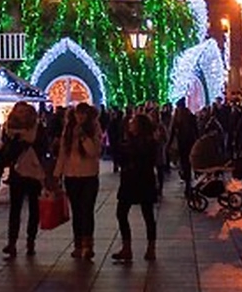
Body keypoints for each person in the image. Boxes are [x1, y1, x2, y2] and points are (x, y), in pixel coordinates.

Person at [54, 102, 102, 261]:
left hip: (89, 175)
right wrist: (57, 174)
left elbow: (94, 152)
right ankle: (78, 244)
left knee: (87, 210)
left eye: (83, 114)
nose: (80, 117)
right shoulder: (68, 129)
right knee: (76, 211)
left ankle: (88, 245)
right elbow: (63, 153)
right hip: (71, 175)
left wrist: (83, 137)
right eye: (77, 113)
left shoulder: (94, 128)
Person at [1, 101, 47, 259]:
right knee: (15, 209)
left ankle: (30, 240)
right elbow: (7, 153)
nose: (21, 114)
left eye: (23, 111)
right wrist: (18, 143)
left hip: (34, 172)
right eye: (18, 111)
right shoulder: (9, 130)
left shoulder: (38, 128)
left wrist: (29, 144)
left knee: (34, 208)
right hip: (17, 173)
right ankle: (11, 242)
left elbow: (43, 148)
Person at [111, 113, 159, 262]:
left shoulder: (146, 143)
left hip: (136, 180)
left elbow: (132, 159)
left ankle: (144, 248)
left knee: (143, 214)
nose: (130, 125)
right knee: (137, 214)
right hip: (138, 180)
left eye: (133, 122)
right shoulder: (136, 141)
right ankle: (133, 248)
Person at [169, 99, 198, 197]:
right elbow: (196, 131)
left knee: (184, 163)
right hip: (191, 143)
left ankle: (187, 183)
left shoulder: (177, 118)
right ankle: (189, 183)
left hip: (181, 145)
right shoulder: (191, 116)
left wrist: (169, 144)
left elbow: (172, 133)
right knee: (188, 163)